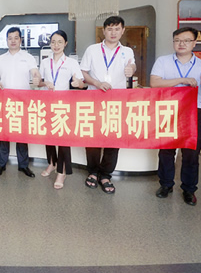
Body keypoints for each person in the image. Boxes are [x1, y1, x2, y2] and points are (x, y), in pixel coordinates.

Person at [150, 27, 201, 206]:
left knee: (191, 154)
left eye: (186, 40)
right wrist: (181, 80)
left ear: (194, 43)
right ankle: (166, 185)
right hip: (168, 111)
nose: (181, 44)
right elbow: (154, 83)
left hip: (193, 113)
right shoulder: (163, 61)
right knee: (166, 151)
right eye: (178, 40)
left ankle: (189, 189)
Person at [80, 16, 136, 194]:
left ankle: (106, 175)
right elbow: (83, 72)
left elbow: (132, 66)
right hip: (94, 99)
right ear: (103, 31)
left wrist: (132, 70)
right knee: (93, 138)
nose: (113, 33)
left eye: (117, 29)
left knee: (113, 138)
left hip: (116, 101)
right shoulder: (92, 49)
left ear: (123, 31)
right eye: (110, 29)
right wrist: (96, 83)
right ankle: (93, 172)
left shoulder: (127, 51)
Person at [0, 26, 41, 178]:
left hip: (23, 102)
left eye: (16, 38)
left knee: (22, 135)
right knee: (4, 134)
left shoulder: (28, 57)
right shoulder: (0, 59)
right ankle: (1, 164)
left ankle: (23, 165)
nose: (13, 41)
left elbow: (35, 72)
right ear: (6, 40)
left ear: (20, 40)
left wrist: (37, 77)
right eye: (10, 38)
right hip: (5, 101)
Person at [38, 30, 86, 189]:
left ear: (65, 43)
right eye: (53, 42)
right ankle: (52, 163)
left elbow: (81, 83)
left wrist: (77, 83)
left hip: (63, 106)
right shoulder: (45, 62)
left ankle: (62, 171)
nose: (56, 45)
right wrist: (45, 83)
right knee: (48, 137)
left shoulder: (71, 62)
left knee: (63, 140)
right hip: (47, 103)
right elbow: (39, 82)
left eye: (59, 42)